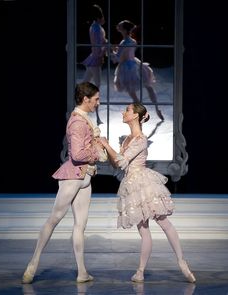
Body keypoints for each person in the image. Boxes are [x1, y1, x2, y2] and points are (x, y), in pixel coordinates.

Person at [99, 102, 196, 283]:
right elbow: (118, 165)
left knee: (163, 222)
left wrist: (106, 144)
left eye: (127, 110)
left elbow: (121, 161)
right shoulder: (127, 139)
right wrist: (105, 148)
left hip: (144, 183)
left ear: (135, 115)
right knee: (143, 230)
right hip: (131, 185)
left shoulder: (141, 139)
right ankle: (140, 271)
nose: (123, 112)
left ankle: (182, 261)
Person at [22, 82, 107, 284]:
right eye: (96, 99)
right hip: (74, 176)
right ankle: (32, 265)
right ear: (85, 99)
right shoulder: (78, 122)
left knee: (80, 225)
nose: (98, 103)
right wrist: (97, 151)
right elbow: (77, 154)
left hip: (84, 177)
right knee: (54, 219)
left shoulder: (84, 120)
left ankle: (82, 272)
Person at [111, 20, 164, 121]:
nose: (118, 26)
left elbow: (118, 59)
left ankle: (142, 114)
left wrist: (111, 51)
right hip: (135, 64)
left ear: (125, 30)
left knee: (134, 94)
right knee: (148, 86)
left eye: (121, 26)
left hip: (127, 68)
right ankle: (157, 109)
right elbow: (126, 54)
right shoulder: (133, 41)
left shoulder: (124, 42)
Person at [82, 4, 108, 125]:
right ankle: (94, 116)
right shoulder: (96, 28)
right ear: (99, 16)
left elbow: (101, 44)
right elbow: (98, 50)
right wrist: (106, 48)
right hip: (95, 61)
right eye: (103, 16)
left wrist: (107, 46)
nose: (104, 18)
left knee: (85, 85)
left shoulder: (96, 27)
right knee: (95, 89)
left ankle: (90, 115)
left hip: (94, 60)